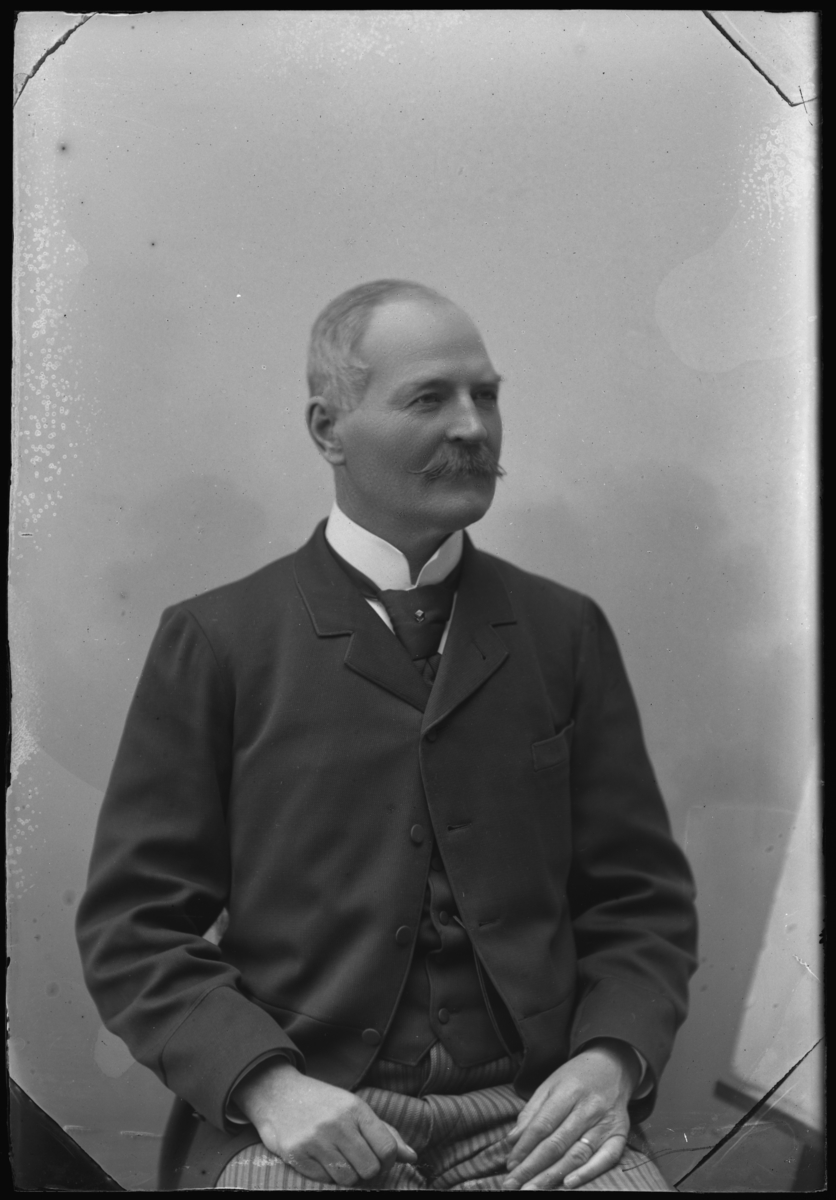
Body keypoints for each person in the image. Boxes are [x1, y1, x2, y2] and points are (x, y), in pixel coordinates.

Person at [76, 280, 698, 1192]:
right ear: (328, 429)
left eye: (486, 395)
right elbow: (134, 925)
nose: (473, 427)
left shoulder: (563, 633)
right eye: (429, 398)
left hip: (530, 1116)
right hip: (304, 1116)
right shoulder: (218, 641)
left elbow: (639, 900)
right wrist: (270, 1088)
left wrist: (611, 1061)